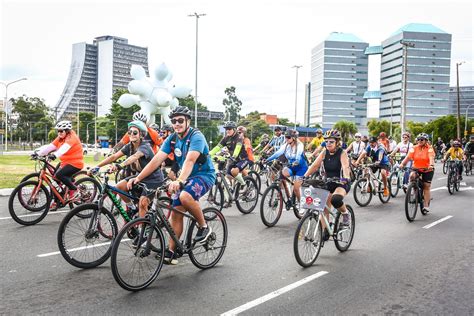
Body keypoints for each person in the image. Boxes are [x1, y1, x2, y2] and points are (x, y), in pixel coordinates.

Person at [128, 106, 215, 265]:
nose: (177, 123)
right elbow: (156, 160)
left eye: (180, 120)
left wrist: (179, 181)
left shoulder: (196, 136)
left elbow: (189, 161)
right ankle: (172, 252)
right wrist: (139, 178)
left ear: (187, 121)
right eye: (174, 121)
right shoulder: (172, 139)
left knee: (184, 196)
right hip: (185, 176)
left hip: (204, 175)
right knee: (176, 212)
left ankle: (204, 227)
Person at [91, 120, 164, 219]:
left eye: (135, 133)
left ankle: (141, 229)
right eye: (129, 132)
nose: (131, 134)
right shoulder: (129, 146)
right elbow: (114, 157)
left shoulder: (145, 146)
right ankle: (132, 208)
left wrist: (119, 166)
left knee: (143, 203)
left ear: (141, 135)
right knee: (119, 187)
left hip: (153, 179)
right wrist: (97, 166)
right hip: (141, 176)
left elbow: (134, 157)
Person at [304, 129, 352, 240]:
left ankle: (345, 214)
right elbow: (315, 166)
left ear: (337, 142)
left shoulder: (342, 153)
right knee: (323, 206)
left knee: (335, 200)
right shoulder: (324, 152)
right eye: (326, 141)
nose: (328, 144)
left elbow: (345, 167)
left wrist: (346, 178)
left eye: (331, 141)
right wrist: (305, 176)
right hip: (328, 181)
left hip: (341, 182)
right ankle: (325, 230)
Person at [36, 121, 84, 201]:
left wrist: (54, 155)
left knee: (59, 175)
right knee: (54, 180)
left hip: (75, 163)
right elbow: (50, 147)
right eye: (58, 131)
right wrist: (38, 154)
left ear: (67, 130)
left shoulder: (72, 137)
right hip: (65, 162)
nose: (59, 133)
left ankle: (74, 190)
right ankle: (57, 201)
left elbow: (64, 148)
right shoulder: (60, 138)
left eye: (61, 131)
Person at [265, 129, 308, 213]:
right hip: (292, 166)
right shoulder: (286, 145)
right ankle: (288, 194)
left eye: (288, 137)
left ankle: (301, 205)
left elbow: (299, 155)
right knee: (282, 174)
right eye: (285, 137)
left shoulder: (299, 145)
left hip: (301, 168)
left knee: (296, 188)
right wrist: (267, 160)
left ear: (294, 138)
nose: (286, 139)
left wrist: (297, 161)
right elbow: (278, 153)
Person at [400, 133, 435, 213]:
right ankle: (413, 188)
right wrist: (402, 164)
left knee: (426, 186)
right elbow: (408, 157)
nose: (420, 141)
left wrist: (431, 165)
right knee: (412, 176)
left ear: (426, 141)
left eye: (422, 139)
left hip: (427, 169)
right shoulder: (414, 148)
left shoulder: (429, 148)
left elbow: (431, 157)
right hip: (416, 168)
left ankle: (426, 205)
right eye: (418, 139)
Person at [209, 121, 249, 186]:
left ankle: (244, 184)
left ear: (234, 129)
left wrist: (234, 156)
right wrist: (208, 154)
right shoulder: (226, 138)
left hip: (242, 159)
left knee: (234, 171)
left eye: (229, 129)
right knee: (228, 176)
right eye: (226, 129)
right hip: (232, 160)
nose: (227, 131)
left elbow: (237, 148)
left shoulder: (239, 137)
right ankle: (235, 185)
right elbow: (217, 147)